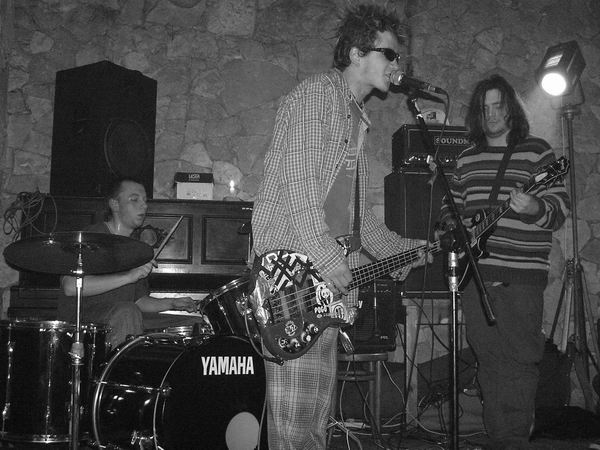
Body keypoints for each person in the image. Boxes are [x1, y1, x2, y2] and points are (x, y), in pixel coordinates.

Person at [250, 5, 429, 449]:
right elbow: (298, 186)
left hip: (322, 284)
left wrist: (408, 251)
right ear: (356, 53)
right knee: (295, 426)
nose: (397, 64)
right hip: (291, 279)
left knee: (314, 424)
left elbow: (359, 221)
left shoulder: (356, 118)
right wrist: (329, 259)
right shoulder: (317, 97)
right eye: (389, 54)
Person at [439, 74, 570, 449]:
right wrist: (455, 228)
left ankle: (513, 441)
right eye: (485, 109)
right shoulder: (467, 158)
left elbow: (559, 210)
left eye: (498, 106)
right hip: (476, 277)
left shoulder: (538, 153)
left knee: (520, 361)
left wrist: (533, 207)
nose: (492, 115)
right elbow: (450, 208)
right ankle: (501, 438)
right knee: (489, 361)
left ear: (511, 109)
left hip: (521, 277)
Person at [57, 178, 201, 349]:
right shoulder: (92, 238)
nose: (144, 206)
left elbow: (139, 301)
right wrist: (129, 276)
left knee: (197, 325)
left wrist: (172, 303)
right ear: (114, 204)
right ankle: (124, 366)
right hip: (83, 324)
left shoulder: (136, 249)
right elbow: (70, 286)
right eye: (134, 200)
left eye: (145, 201)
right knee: (127, 312)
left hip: (126, 316)